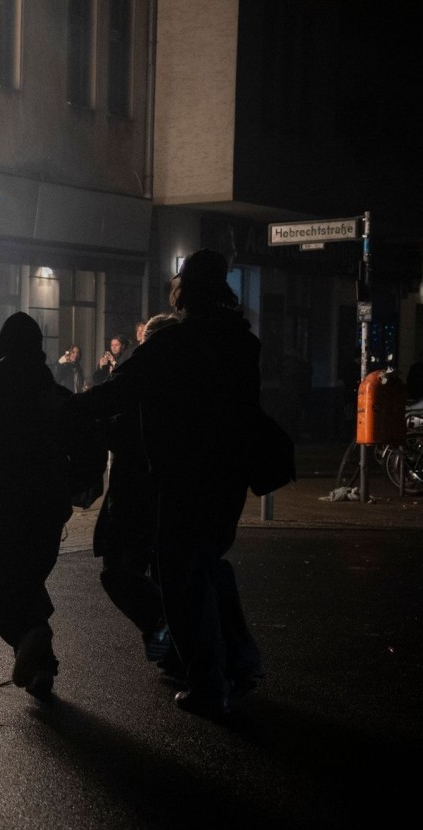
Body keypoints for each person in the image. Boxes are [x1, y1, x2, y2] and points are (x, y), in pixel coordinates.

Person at [75, 249, 264, 717]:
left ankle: (206, 681)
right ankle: (239, 662)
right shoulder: (241, 341)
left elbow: (117, 393)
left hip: (183, 474)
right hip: (229, 475)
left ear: (186, 290)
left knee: (181, 577)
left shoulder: (177, 343)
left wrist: (63, 408)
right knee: (207, 565)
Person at [0, 312, 104, 699]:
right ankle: (40, 666)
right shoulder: (53, 396)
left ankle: (29, 638)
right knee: (27, 583)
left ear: (1, 348)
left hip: (4, 505)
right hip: (49, 507)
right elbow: (88, 445)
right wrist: (72, 487)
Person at [92, 314, 180, 671]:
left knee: (119, 569)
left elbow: (118, 419)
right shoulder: (193, 378)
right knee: (164, 569)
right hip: (172, 491)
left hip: (136, 487)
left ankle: (166, 637)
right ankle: (177, 649)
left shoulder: (146, 374)